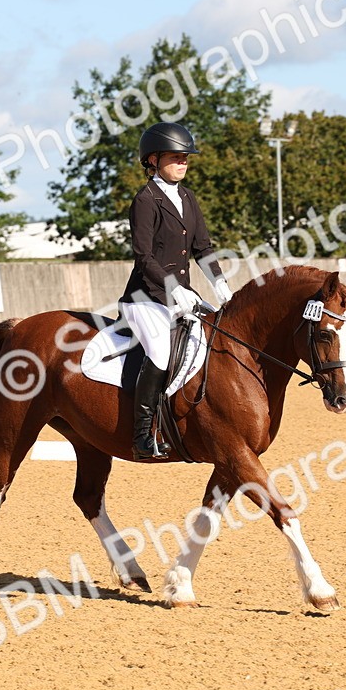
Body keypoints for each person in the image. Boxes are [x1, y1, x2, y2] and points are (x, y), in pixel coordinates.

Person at [120, 122, 233, 460]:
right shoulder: (146, 200)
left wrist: (220, 284)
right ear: (153, 160)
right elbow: (144, 256)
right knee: (159, 351)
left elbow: (203, 247)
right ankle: (142, 435)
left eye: (186, 157)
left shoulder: (186, 197)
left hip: (182, 296)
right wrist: (172, 287)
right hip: (145, 298)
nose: (183, 162)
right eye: (175, 157)